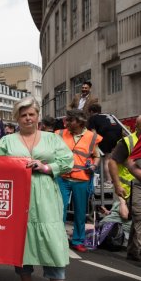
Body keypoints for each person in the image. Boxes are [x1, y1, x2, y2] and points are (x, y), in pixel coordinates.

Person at [0, 97, 73, 281]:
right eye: (23, 115)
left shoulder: (52, 138)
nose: (28, 118)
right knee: (22, 241)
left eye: (31, 114)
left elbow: (67, 162)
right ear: (17, 118)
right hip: (19, 196)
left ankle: (56, 277)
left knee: (51, 241)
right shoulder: (7, 140)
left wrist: (46, 167)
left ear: (38, 116)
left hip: (46, 195)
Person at [55, 109, 102, 253]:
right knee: (58, 210)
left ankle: (77, 241)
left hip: (81, 179)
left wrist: (94, 165)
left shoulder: (91, 137)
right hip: (62, 177)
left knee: (80, 213)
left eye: (70, 120)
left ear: (79, 122)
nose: (66, 123)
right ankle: (57, 240)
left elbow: (97, 156)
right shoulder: (60, 134)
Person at [109, 115, 141, 261]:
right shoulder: (128, 142)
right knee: (139, 216)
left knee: (137, 219)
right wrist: (117, 185)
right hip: (132, 187)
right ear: (136, 127)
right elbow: (112, 162)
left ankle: (134, 251)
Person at [86, 103, 122, 185]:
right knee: (113, 159)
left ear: (91, 111)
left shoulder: (93, 118)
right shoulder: (109, 115)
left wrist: (94, 145)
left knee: (107, 159)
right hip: (117, 134)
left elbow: (93, 132)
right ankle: (116, 179)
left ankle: (109, 180)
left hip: (107, 136)